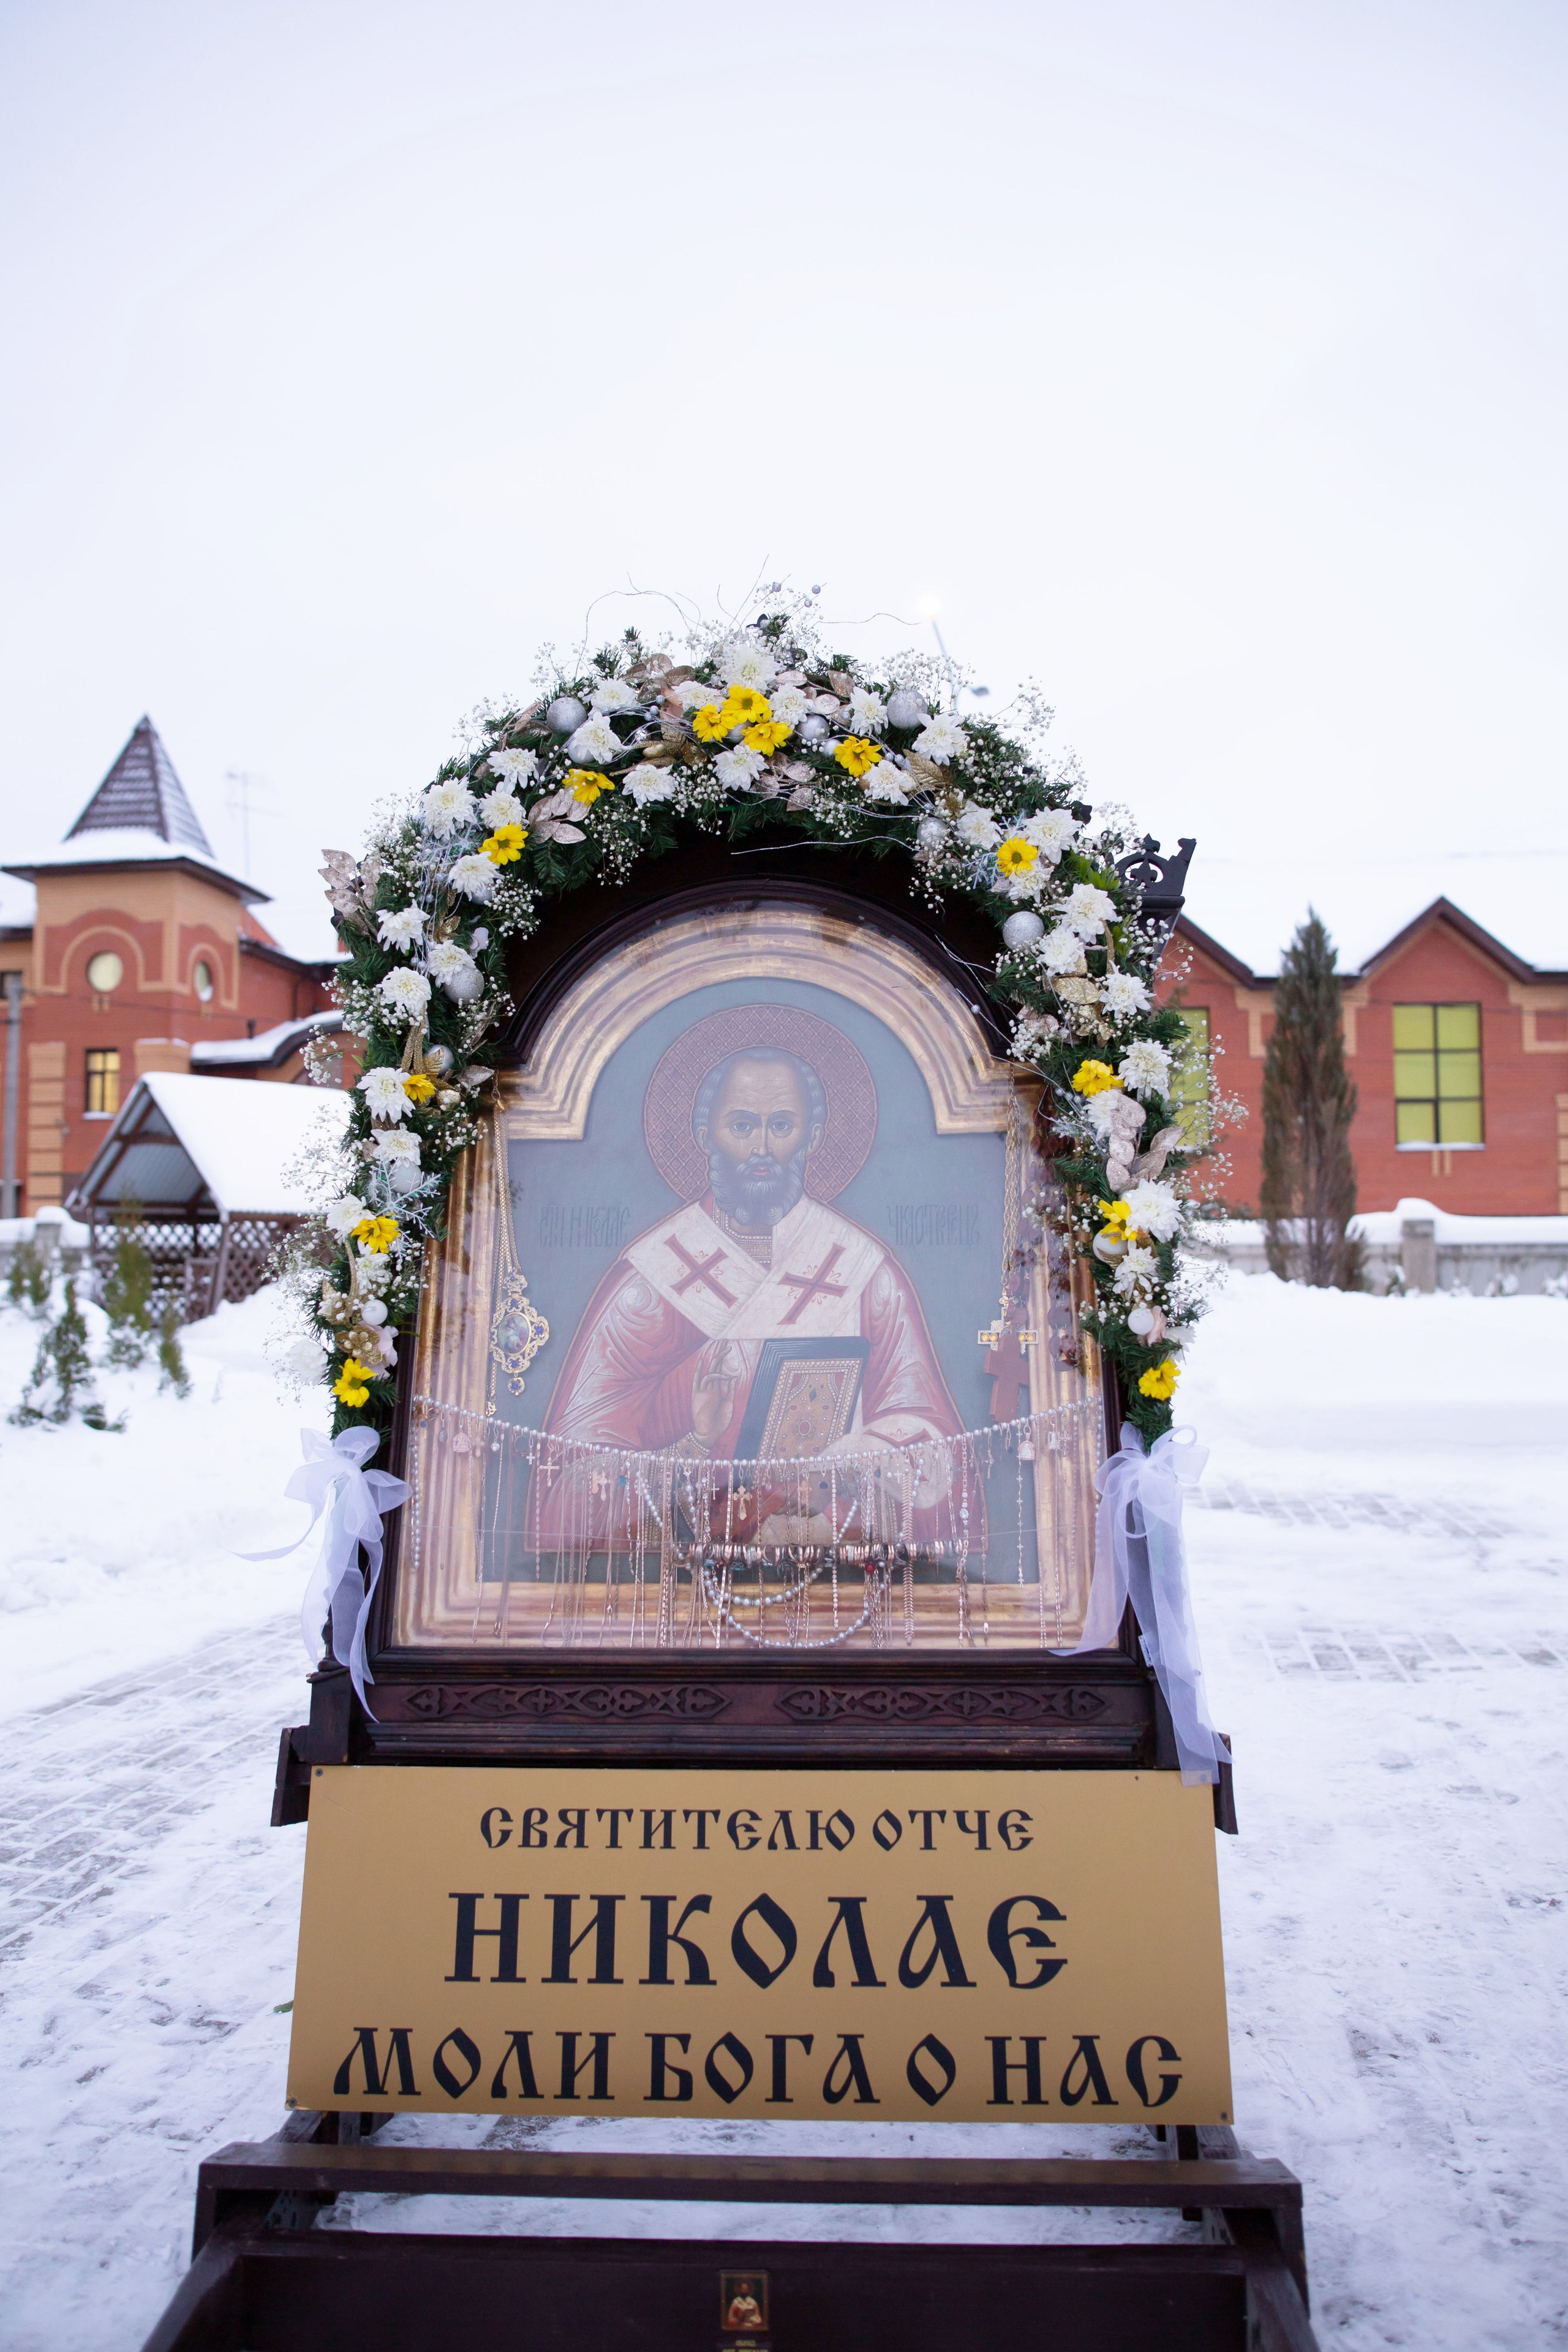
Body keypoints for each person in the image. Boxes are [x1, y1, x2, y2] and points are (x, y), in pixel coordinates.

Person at [532, 1046, 963, 1546]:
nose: (761, 1147)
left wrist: (852, 1462)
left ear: (814, 1137)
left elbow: (928, 1432)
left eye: (781, 1126)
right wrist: (693, 1440)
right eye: (741, 1126)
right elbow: (575, 1472)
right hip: (684, 1564)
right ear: (704, 1137)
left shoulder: (868, 1277)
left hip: (828, 1551)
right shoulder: (648, 1285)